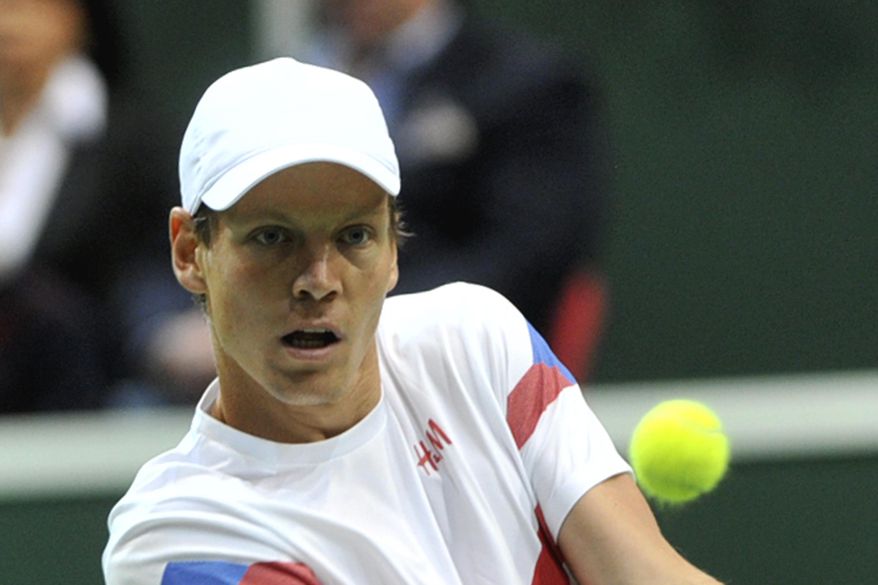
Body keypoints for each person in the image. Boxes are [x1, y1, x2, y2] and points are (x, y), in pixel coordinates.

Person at [103, 58, 722, 585]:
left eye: (353, 235)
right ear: (190, 253)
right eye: (272, 237)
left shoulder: (476, 341)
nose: (318, 280)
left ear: (394, 250)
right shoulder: (177, 538)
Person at [306, 0, 610, 339]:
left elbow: (531, 252)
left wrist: (375, 311)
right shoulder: (293, 82)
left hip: (452, 352)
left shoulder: (527, 82)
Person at [0, 0, 211, 411]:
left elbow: (155, 273)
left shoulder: (134, 139)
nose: (8, 25)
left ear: (78, 18)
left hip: (92, 393)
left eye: (29, 7)